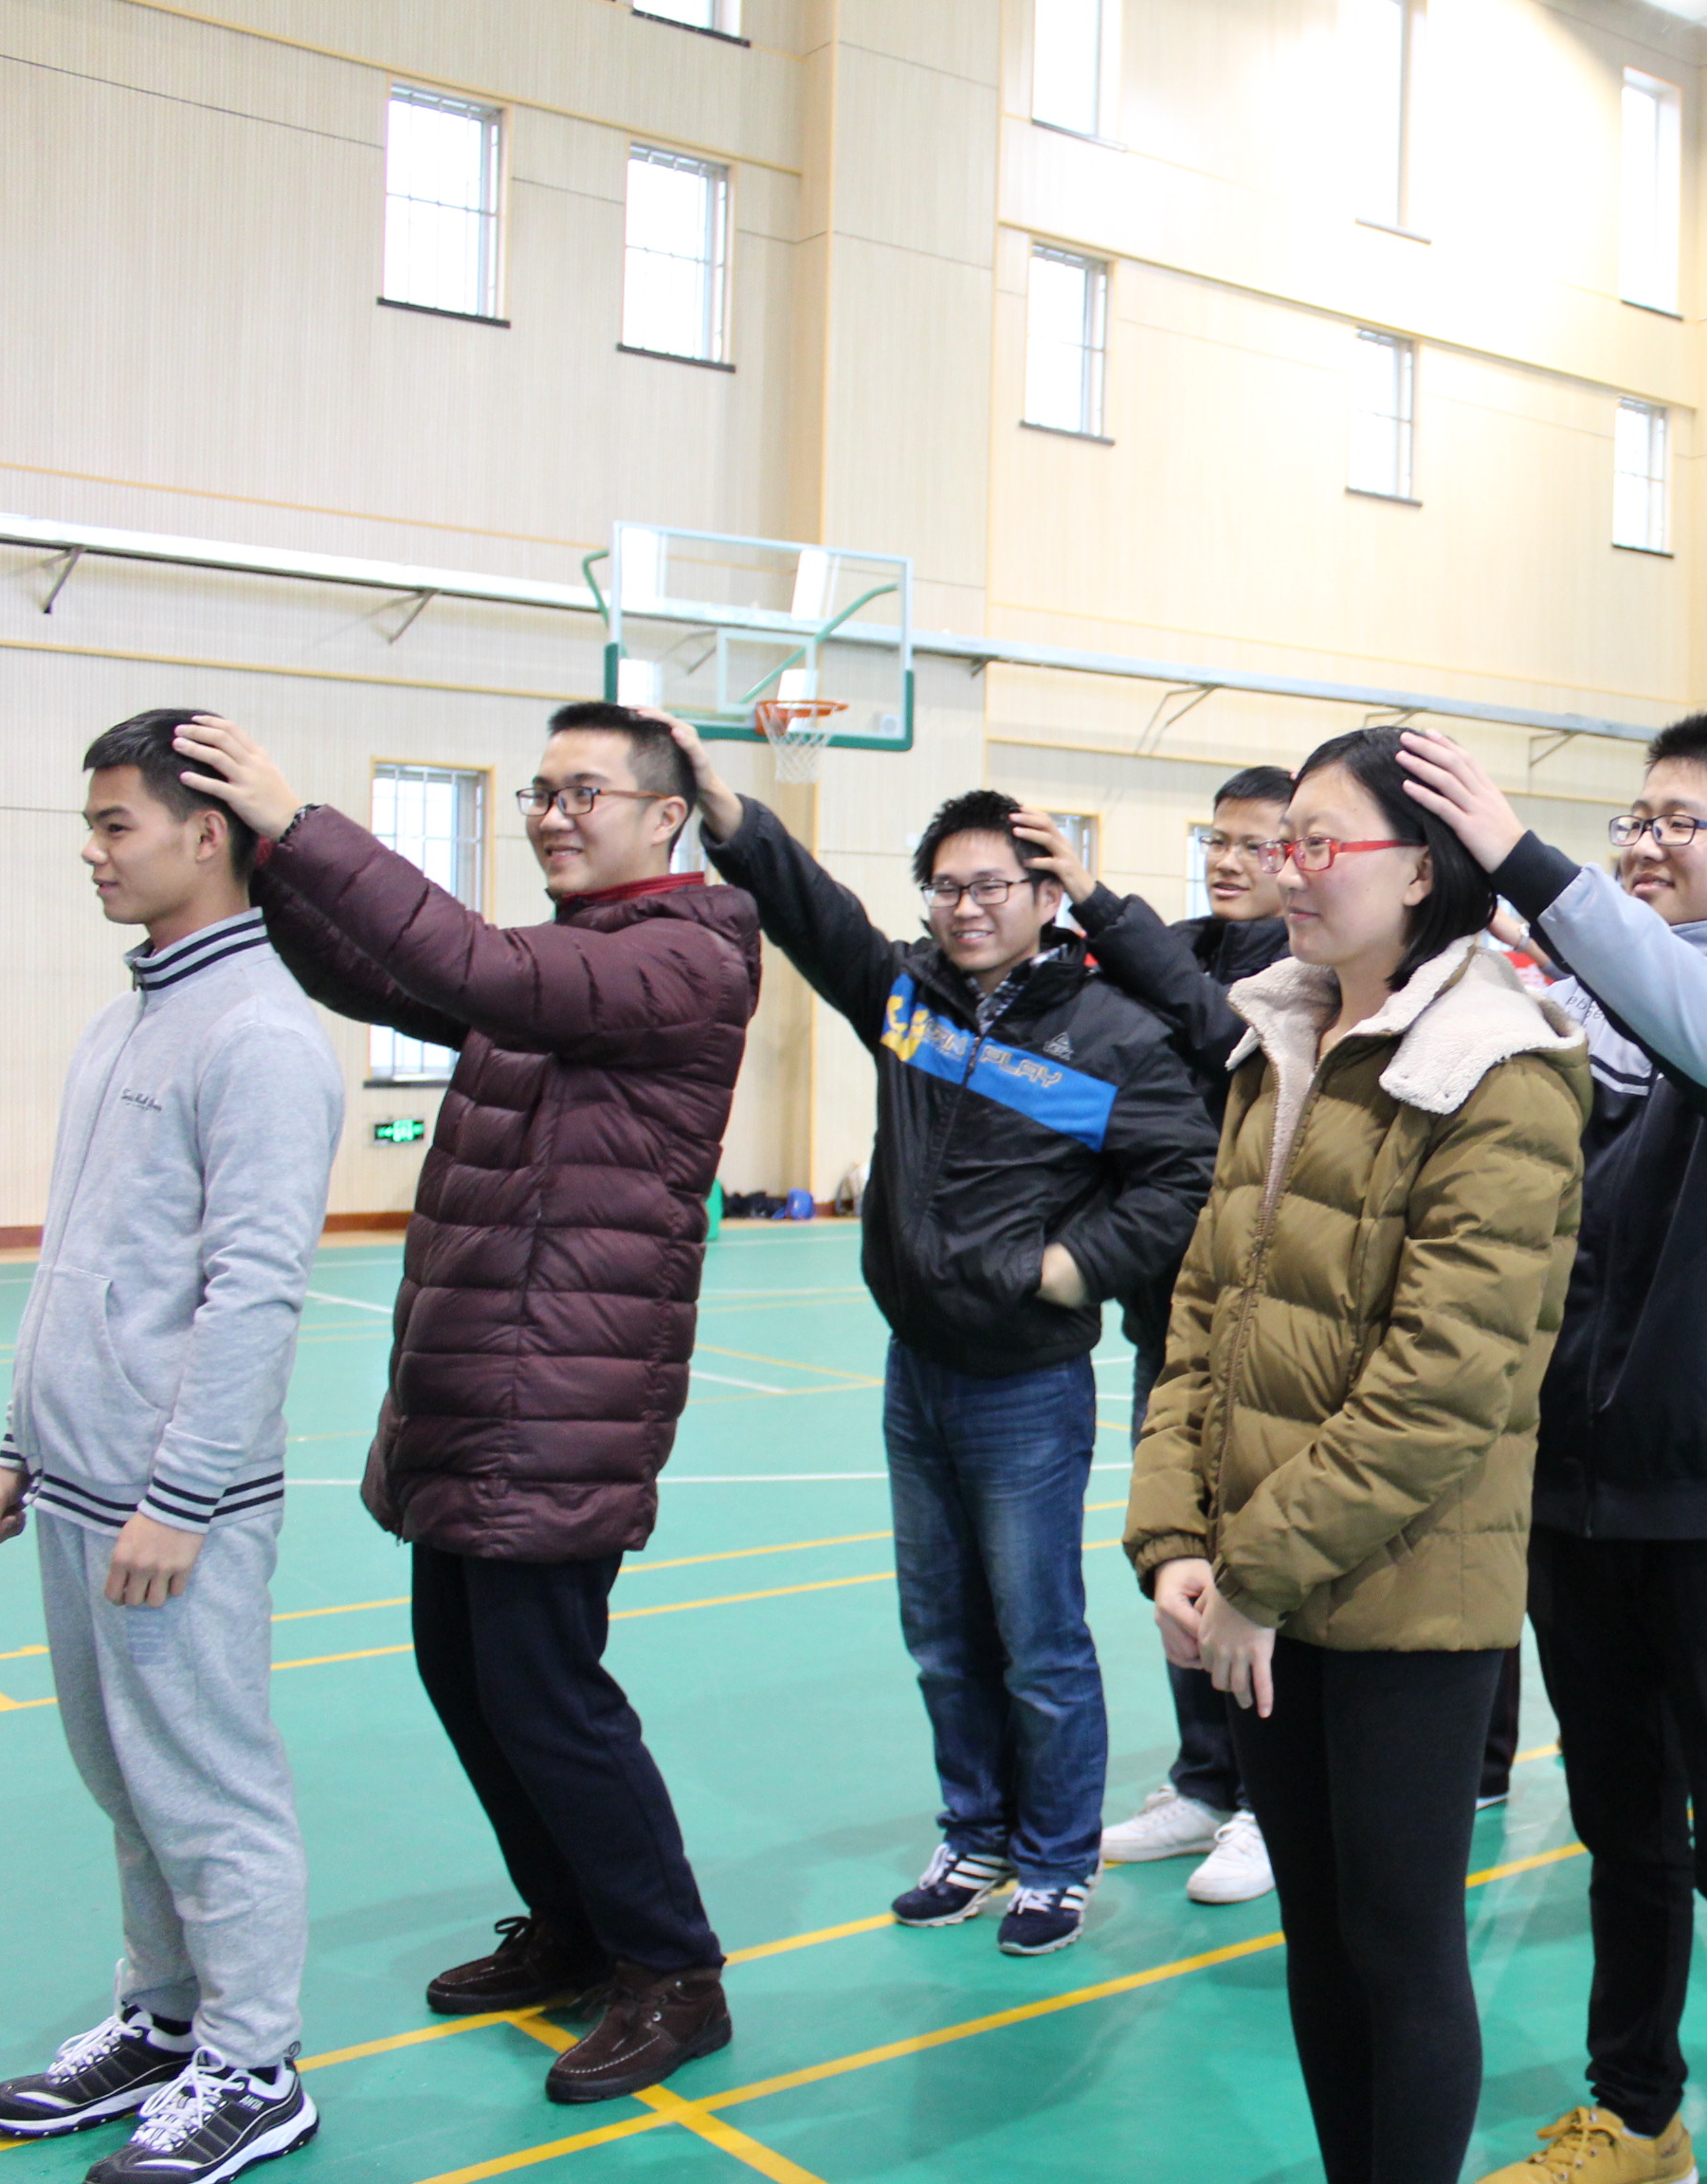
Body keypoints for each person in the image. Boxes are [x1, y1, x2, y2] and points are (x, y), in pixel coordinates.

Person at [171, 705, 758, 2103]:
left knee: (548, 1694)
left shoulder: (684, 954)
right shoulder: (566, 964)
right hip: (485, 1385)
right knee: (468, 1676)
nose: (552, 815)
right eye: (541, 793)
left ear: (666, 816)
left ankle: (675, 1972)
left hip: (564, 1397)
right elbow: (384, 968)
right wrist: (269, 863)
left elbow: (471, 963)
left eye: (583, 792)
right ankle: (573, 1923)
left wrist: (304, 822)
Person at [1396, 717, 1707, 2184]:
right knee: (1622, 1832)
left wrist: (1528, 864)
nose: (1646, 845)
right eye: (1636, 820)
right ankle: (1635, 2117)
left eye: (1683, 823)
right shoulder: (1569, 1015)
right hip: (1571, 1491)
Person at [1123, 727, 1588, 2184]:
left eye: (1320, 844)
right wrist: (1178, 1540)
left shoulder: (1499, 1066)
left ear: (1424, 869)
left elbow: (1447, 1383)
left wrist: (1253, 1571)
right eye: (1282, 845)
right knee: (1318, 1939)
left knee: (1396, 1942)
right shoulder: (1279, 1042)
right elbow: (1207, 1311)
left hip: (1401, 1592)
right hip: (1260, 1586)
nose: (1287, 873)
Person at [679, 733, 1216, 1952]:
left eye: (992, 886)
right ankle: (976, 1835)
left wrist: (1065, 1268)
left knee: (1037, 1640)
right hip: (914, 1370)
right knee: (940, 1635)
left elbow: (1185, 1173)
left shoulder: (1110, 1030)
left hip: (1026, 1382)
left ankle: (1055, 1862)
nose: (966, 908)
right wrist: (727, 812)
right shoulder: (908, 1003)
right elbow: (813, 915)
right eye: (945, 887)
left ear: (1045, 894)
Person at [0, 714, 343, 2184]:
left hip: (174, 1503)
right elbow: (84, 1255)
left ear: (206, 834)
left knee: (205, 1784)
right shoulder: (126, 1019)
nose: (92, 849)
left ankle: (254, 2063)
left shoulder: (262, 1035)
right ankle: (168, 2017)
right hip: (79, 1484)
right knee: (126, 1781)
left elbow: (256, 1289)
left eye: (114, 823)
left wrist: (181, 1496)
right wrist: (19, 1444)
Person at [1024, 769, 1297, 1908]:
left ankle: (1272, 1805)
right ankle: (1204, 1778)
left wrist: (1095, 897)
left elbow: (1216, 1026)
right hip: (1168, 1311)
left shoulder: (1306, 975)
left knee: (1263, 1560)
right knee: (1174, 1546)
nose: (1229, 861)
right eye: (1216, 840)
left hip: (1270, 1317)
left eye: (1256, 844)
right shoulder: (1172, 946)